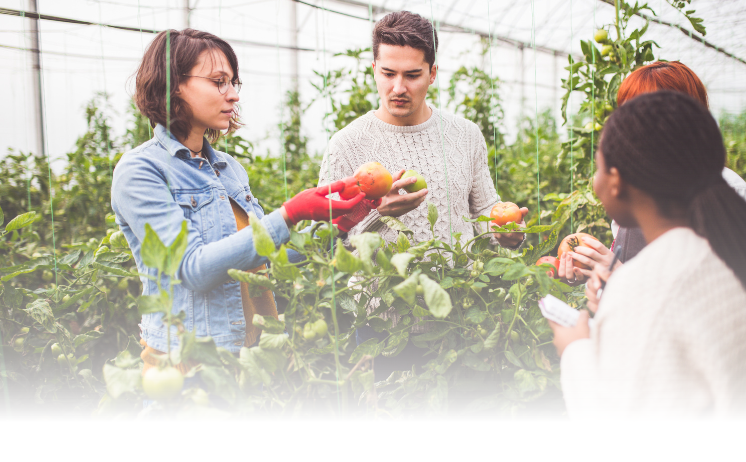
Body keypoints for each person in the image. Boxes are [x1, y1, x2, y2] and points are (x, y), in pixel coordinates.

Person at [111, 29, 374, 372]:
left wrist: (339, 226)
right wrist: (290, 213)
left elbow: (267, 259)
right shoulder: (140, 171)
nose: (233, 95)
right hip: (191, 367)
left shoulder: (228, 168)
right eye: (219, 82)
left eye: (234, 83)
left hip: (253, 356)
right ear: (174, 85)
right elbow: (194, 269)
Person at [549, 91, 746, 417]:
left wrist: (575, 349)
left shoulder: (644, 285)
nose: (595, 180)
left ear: (616, 181)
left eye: (598, 167)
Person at [316, 11, 526, 380]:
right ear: (374, 69)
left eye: (412, 75)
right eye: (388, 73)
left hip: (458, 315)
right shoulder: (347, 145)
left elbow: (484, 209)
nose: (399, 87)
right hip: (382, 323)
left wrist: (506, 232)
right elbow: (327, 239)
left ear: (432, 73)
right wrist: (379, 213)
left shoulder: (465, 135)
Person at [557, 61, 746, 285]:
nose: (628, 124)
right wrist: (597, 273)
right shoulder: (633, 189)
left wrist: (622, 279)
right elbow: (633, 264)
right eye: (626, 111)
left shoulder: (730, 190)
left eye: (646, 113)